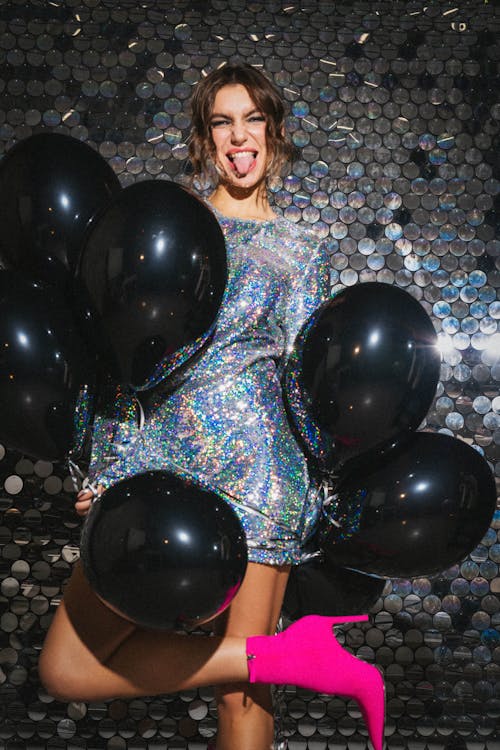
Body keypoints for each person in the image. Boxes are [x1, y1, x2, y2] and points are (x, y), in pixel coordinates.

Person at [39, 63, 385, 750]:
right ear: (204, 138)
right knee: (66, 667)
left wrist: (316, 498)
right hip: (158, 473)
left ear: (275, 133)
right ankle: (296, 656)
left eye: (252, 119)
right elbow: (122, 362)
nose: (239, 137)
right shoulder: (162, 226)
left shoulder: (302, 252)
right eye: (222, 122)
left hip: (258, 479)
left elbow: (305, 385)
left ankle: (276, 660)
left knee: (242, 703)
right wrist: (104, 472)